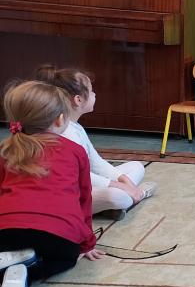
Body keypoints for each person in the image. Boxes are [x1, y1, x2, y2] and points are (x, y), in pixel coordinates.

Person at [0, 81, 104, 287]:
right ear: (60, 120)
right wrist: (87, 244)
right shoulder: (74, 150)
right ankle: (29, 271)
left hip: (6, 231)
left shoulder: (5, 150)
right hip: (58, 235)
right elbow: (84, 199)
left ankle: (13, 263)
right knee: (66, 259)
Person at [36, 65, 155, 221]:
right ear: (78, 100)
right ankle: (131, 197)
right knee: (117, 196)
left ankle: (114, 204)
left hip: (87, 183)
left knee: (136, 167)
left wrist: (122, 179)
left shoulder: (76, 127)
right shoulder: (65, 132)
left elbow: (95, 162)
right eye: (91, 91)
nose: (94, 94)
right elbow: (79, 176)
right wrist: (118, 185)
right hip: (72, 191)